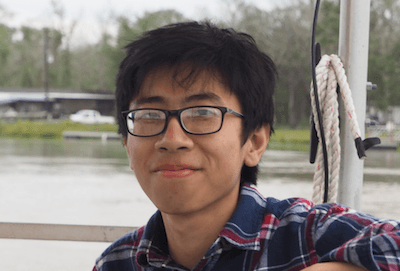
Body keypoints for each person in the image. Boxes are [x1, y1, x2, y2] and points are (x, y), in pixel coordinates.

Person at [93, 21, 400, 271]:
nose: (172, 139)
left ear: (255, 141)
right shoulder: (117, 263)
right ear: (126, 142)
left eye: (202, 113)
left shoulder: (308, 237)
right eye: (149, 115)